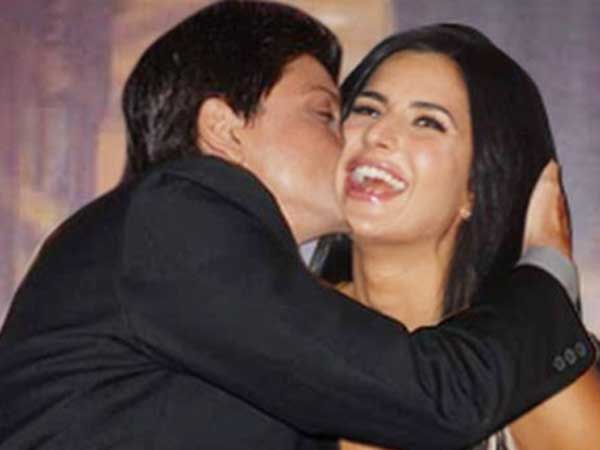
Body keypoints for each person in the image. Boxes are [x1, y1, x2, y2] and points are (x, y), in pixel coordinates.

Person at [0, 3, 594, 450]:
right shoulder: (174, 218)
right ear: (225, 131)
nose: (365, 137)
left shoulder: (289, 348)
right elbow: (435, 396)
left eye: (427, 122)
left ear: (477, 186)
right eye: (339, 112)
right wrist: (546, 271)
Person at [311, 24, 600, 450]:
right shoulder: (274, 323)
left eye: (427, 122)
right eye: (368, 110)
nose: (377, 135)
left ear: (475, 189)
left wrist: (546, 271)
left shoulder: (524, 361)